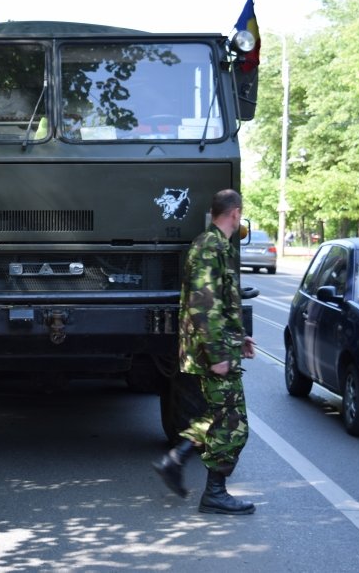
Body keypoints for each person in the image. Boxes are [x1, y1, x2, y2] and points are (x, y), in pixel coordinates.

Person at [152, 188, 257, 515]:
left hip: (218, 349)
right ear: (236, 213)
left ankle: (177, 459)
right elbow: (204, 305)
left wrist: (239, 339)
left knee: (217, 415)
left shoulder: (214, 246)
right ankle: (214, 492)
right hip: (211, 354)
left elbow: (220, 304)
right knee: (233, 424)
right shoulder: (210, 248)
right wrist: (217, 355)